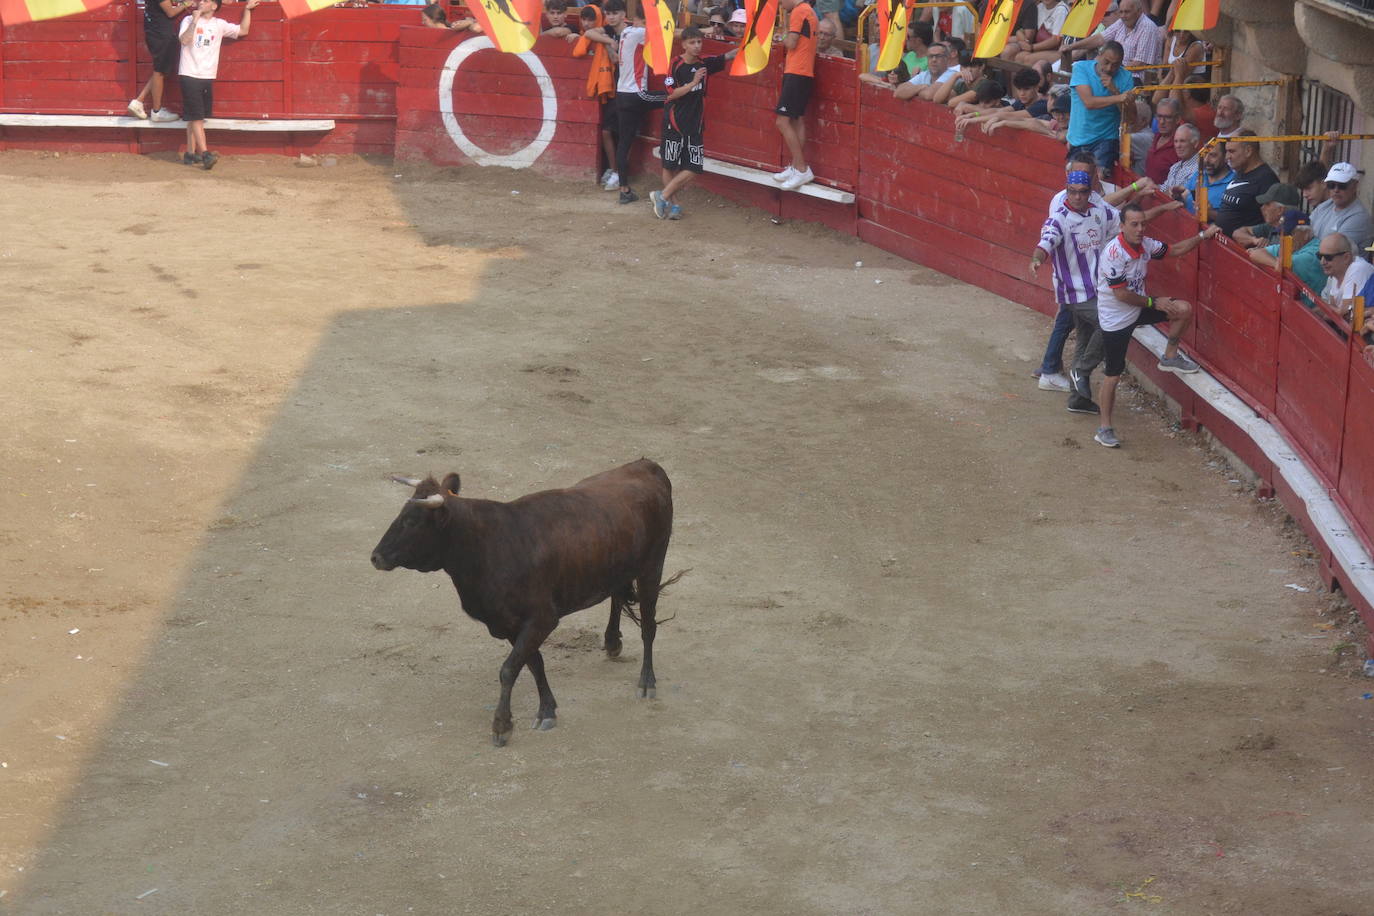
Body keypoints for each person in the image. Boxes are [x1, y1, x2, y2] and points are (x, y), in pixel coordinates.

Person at [1092, 204, 1221, 448]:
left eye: (1143, 224)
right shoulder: (1113, 253)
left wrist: (1203, 235)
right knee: (1113, 375)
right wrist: (1154, 302)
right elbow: (1121, 296)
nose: (1140, 229)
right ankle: (1104, 428)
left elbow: (1176, 249)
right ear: (1122, 226)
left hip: (1137, 308)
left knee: (1183, 310)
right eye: (1134, 224)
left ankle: (1170, 355)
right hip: (1115, 319)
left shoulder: (1146, 244)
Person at [1029, 168, 1120, 408]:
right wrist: (1038, 258)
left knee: (1085, 338)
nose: (1077, 197)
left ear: (1090, 193)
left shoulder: (1100, 211)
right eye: (1072, 192)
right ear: (1066, 192)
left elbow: (1121, 225)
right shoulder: (1059, 219)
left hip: (1097, 289)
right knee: (1108, 324)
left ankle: (1078, 399)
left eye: (1082, 192)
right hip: (1074, 293)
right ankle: (1081, 370)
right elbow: (1046, 241)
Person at [651, 27, 739, 220]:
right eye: (692, 42)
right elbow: (671, 93)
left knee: (694, 167)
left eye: (699, 42)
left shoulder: (704, 63)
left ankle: (662, 196)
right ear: (683, 44)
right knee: (669, 165)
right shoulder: (675, 64)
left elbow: (729, 55)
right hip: (674, 122)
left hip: (695, 124)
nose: (697, 46)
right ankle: (673, 206)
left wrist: (748, 44)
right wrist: (692, 83)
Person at [177, 0, 259, 170]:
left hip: (207, 75)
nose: (201, 2)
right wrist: (194, 20)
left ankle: (190, 153)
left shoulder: (219, 25)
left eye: (206, 0)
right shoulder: (187, 20)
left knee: (194, 116)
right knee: (197, 117)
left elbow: (243, 30)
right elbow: (184, 40)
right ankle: (205, 153)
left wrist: (247, 10)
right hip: (189, 73)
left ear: (214, 6)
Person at [609, 6, 667, 204]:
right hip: (637, 95)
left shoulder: (626, 31)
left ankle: (624, 190)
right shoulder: (642, 33)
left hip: (622, 95)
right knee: (674, 97)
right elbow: (666, 34)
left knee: (624, 142)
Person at [771, 0, 819, 191]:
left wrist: (780, 35)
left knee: (782, 122)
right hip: (803, 71)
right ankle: (795, 167)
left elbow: (791, 43)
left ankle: (801, 168)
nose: (781, 4)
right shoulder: (809, 11)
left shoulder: (799, 11)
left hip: (797, 71)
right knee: (796, 120)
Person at [1066, 40, 1133, 171]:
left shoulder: (1126, 77)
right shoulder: (1081, 68)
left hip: (1106, 138)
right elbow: (1089, 103)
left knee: (1100, 176)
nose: (1109, 68)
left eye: (1115, 65)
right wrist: (1118, 97)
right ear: (1099, 55)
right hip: (1080, 138)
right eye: (1106, 62)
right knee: (1078, 179)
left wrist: (1114, 89)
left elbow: (1130, 117)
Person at [573, 3, 618, 187]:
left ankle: (617, 171)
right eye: (584, 19)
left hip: (619, 87)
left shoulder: (614, 31)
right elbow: (579, 49)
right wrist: (607, 41)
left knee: (614, 132)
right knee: (608, 131)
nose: (587, 23)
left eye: (591, 19)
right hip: (610, 88)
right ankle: (614, 169)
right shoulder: (603, 33)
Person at [128, 0, 195, 123]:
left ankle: (139, 101)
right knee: (160, 71)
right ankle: (156, 111)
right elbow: (170, 12)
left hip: (156, 32)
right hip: (161, 33)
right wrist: (185, 4)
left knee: (160, 70)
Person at [1213, 130, 1278, 238]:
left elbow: (1273, 222)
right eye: (1226, 152)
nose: (1227, 157)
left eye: (1232, 151)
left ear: (1248, 151)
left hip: (1243, 250)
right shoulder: (1240, 171)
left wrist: (1252, 240)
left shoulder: (1266, 179)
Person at [1063, 0, 1162, 68]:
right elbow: (1099, 39)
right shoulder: (1122, 22)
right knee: (1079, 68)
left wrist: (1111, 69)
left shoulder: (1147, 27)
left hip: (1135, 78)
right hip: (1116, 71)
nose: (1123, 16)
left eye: (1127, 12)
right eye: (1121, 12)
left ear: (1139, 11)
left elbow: (1140, 64)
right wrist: (1071, 46)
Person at [1249, 212, 1323, 294]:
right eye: (1280, 234)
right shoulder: (1293, 244)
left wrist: (1277, 263)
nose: (1282, 238)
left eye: (1288, 234)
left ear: (1305, 234)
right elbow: (1255, 253)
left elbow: (1285, 265)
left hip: (1309, 306)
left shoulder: (1314, 252)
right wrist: (1275, 263)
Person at [1310, 163, 1373, 255]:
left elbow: (1332, 252)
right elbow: (1304, 233)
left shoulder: (1358, 217)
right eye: (1331, 185)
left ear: (1355, 186)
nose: (1336, 190)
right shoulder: (1326, 205)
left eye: (1342, 185)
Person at [1318, 233, 1374, 320]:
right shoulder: (1337, 272)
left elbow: (1344, 314)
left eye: (1328, 257)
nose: (1322, 262)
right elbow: (1334, 310)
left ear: (1346, 257)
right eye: (1320, 256)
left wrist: (1322, 306)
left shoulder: (1358, 268)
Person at [1233, 183, 1302, 249]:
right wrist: (1254, 240)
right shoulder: (1273, 225)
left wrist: (1261, 252)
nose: (1262, 208)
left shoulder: (1296, 233)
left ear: (1280, 210)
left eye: (1267, 204)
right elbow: (1237, 233)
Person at [1172, 137, 1230, 215]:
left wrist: (1210, 213)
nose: (1206, 160)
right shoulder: (1199, 175)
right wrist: (1178, 197)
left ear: (1225, 157)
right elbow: (1185, 201)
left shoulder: (1233, 183)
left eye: (1213, 155)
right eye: (1204, 154)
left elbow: (1234, 220)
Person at [1142, 97, 1181, 185]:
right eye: (1159, 116)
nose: (1162, 121)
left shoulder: (1180, 146)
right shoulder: (1155, 137)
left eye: (1167, 117)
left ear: (1177, 119)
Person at [1160, 121, 1199, 197]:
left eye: (1182, 141)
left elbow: (1179, 196)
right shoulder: (1175, 167)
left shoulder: (1199, 168)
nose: (1178, 145)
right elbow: (1162, 190)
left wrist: (1166, 192)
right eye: (1176, 141)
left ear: (1195, 143)